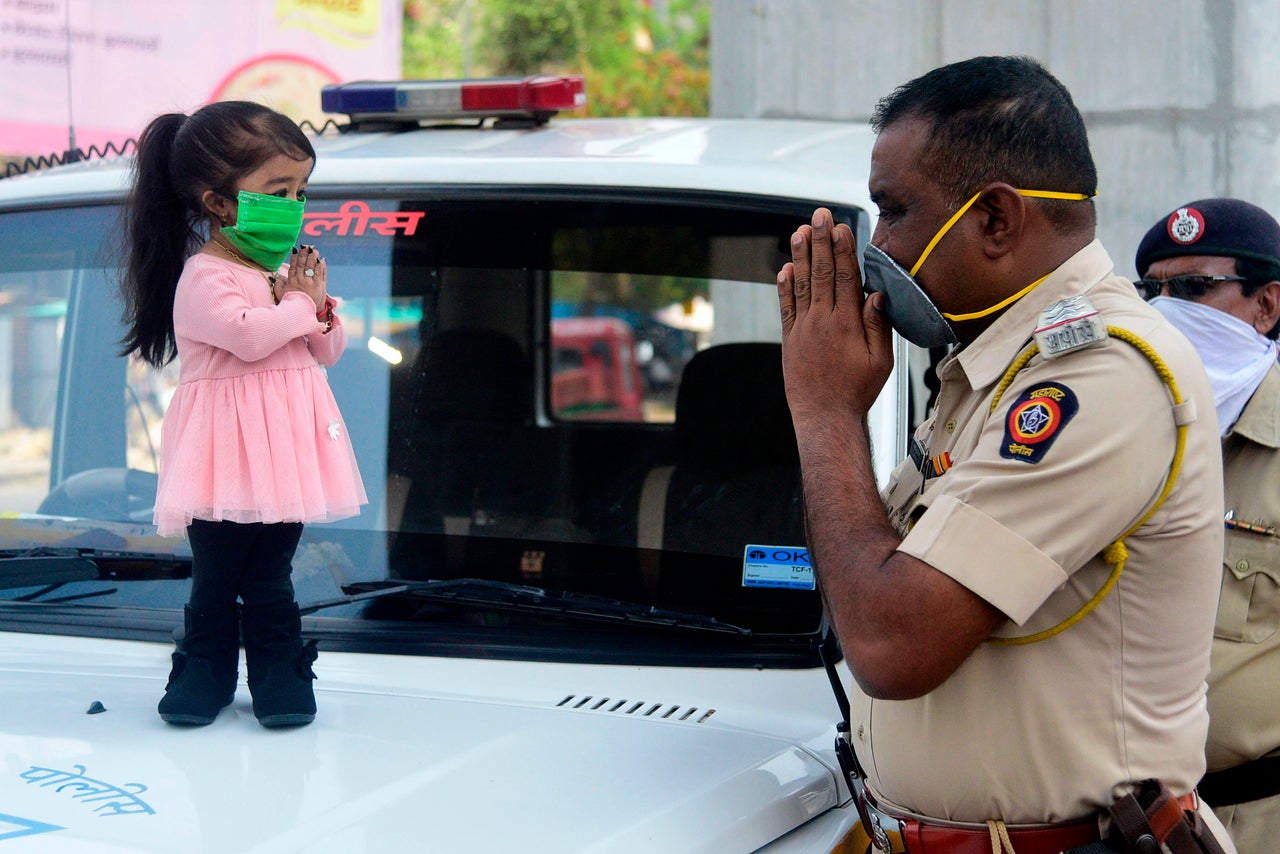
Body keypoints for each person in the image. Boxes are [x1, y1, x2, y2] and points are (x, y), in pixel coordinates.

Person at [777, 56, 1235, 852]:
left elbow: (892, 643)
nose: (878, 245)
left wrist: (825, 409)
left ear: (995, 220)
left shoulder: (1102, 375)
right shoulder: (992, 369)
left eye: (894, 210)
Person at [119, 101, 367, 728]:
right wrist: (302, 304)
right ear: (219, 203)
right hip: (222, 464)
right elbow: (250, 337)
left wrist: (318, 307)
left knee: (270, 578)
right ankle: (203, 679)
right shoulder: (205, 277)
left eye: (301, 190)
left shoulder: (280, 272)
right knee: (216, 576)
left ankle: (281, 684)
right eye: (277, 190)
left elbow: (328, 349)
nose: (294, 203)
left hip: (283, 462)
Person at [1135, 198, 1280, 854]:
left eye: (1195, 289)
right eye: (1154, 291)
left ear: (1267, 306)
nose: (1167, 311)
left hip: (1257, 819)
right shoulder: (1122, 435)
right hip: (1124, 823)